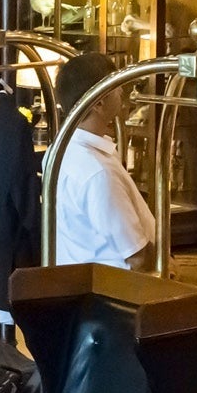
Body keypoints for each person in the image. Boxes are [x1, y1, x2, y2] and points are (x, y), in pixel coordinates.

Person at [49, 51, 156, 272]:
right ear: (98, 102)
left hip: (80, 283)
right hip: (113, 291)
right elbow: (136, 256)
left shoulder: (60, 150)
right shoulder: (97, 172)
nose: (122, 92)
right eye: (116, 86)